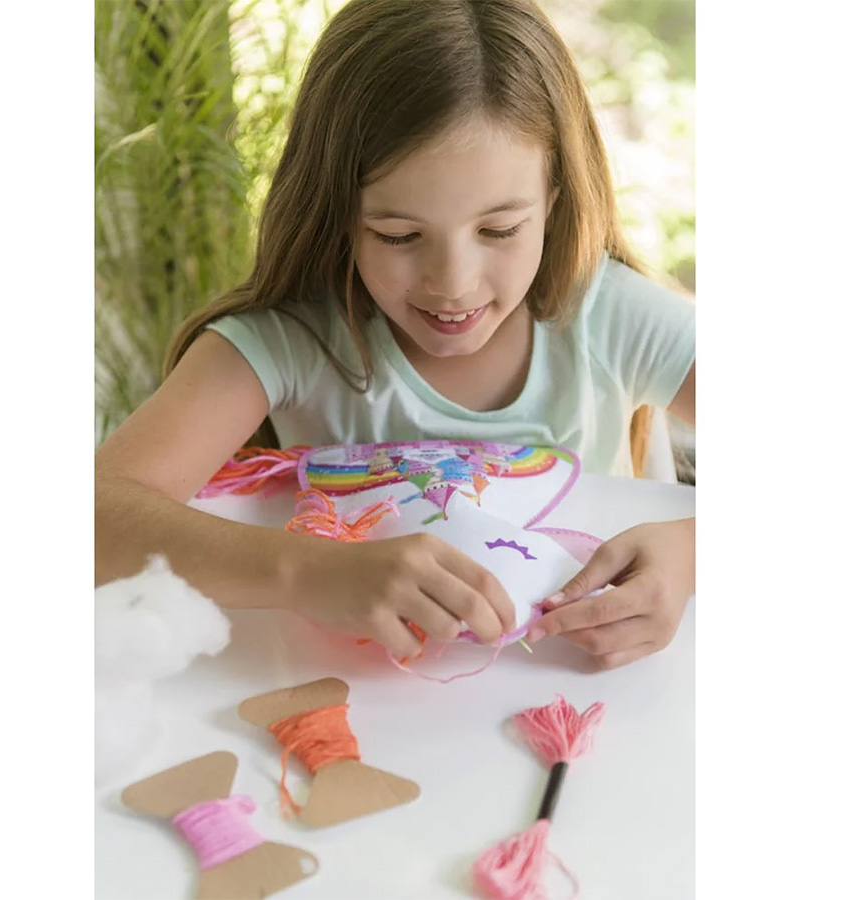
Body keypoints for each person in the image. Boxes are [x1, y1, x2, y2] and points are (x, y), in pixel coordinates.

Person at [95, 0, 695, 670]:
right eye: (399, 236)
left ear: (553, 199)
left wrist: (693, 551)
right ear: (337, 215)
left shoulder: (612, 318)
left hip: (589, 700)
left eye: (499, 229)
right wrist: (308, 571)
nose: (454, 284)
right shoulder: (291, 342)